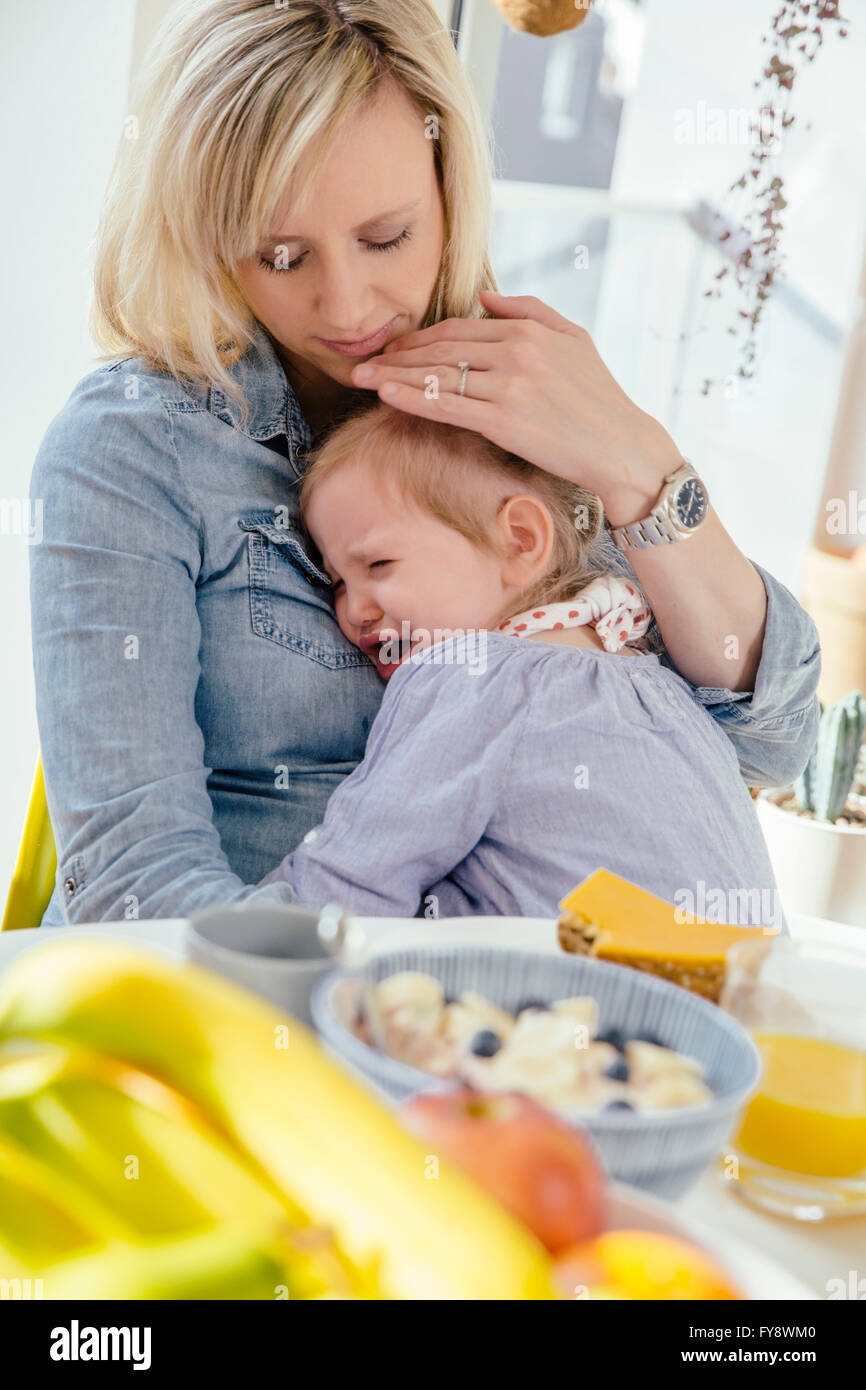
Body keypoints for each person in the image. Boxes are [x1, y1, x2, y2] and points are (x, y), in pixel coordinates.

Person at [29, 0, 819, 927]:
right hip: (278, 1013)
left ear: (450, 190)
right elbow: (136, 896)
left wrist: (637, 464)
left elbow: (771, 736)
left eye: (386, 238)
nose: (348, 301)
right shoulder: (132, 450)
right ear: (209, 244)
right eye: (282, 256)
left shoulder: (505, 406)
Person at [256, 401, 786, 928]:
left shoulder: (469, 677)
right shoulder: (661, 683)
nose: (354, 610)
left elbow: (348, 884)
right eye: (339, 583)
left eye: (379, 564)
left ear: (521, 541)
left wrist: (209, 941)